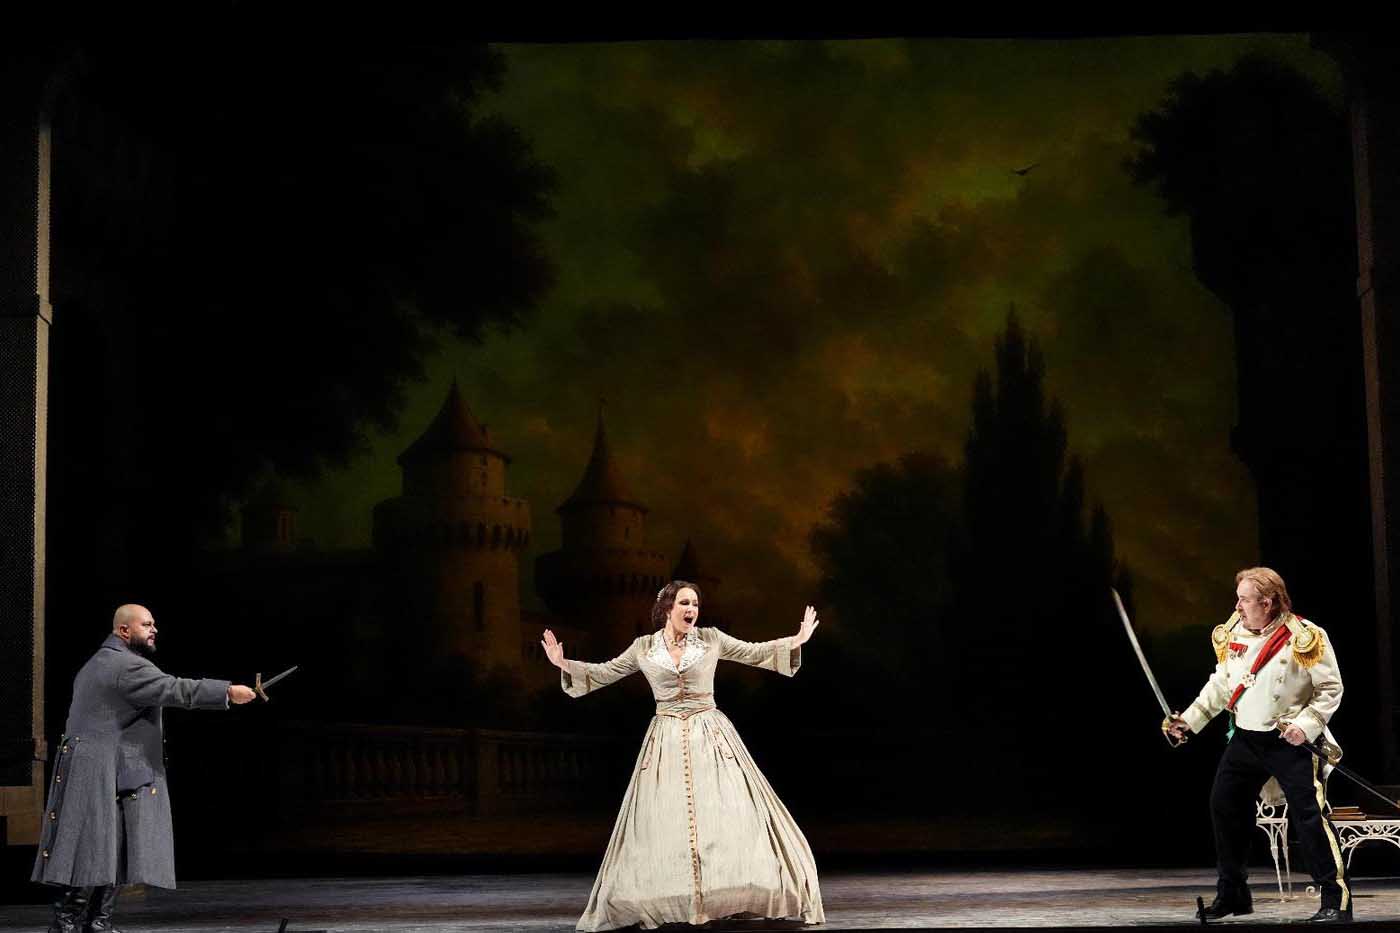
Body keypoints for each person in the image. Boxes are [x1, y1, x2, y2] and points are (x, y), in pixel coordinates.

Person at [541, 580, 824, 930]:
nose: (691, 610)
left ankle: (729, 894)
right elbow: (606, 672)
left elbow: (752, 652)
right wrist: (563, 663)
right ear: (667, 609)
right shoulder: (644, 647)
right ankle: (677, 899)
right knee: (664, 821)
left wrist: (795, 642)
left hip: (711, 737)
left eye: (695, 604)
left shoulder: (711, 639)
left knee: (726, 817)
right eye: (684, 603)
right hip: (666, 740)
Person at [32, 604, 257, 933]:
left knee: (112, 846)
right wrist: (226, 692)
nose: (154, 630)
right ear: (124, 630)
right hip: (96, 770)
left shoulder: (101, 661)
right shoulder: (125, 666)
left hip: (106, 768)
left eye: (154, 624)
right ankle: (66, 926)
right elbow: (176, 689)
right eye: (146, 624)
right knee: (91, 848)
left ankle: (98, 924)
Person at [1167, 568, 1350, 924]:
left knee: (1310, 817)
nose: (1237, 605)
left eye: (1244, 599)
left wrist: (1304, 726)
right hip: (1247, 739)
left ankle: (1336, 900)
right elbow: (1221, 685)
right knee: (1224, 806)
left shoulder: (1305, 636)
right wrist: (1187, 721)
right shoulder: (1234, 631)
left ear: (1266, 603)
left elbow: (1331, 689)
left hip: (1288, 741)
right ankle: (1233, 894)